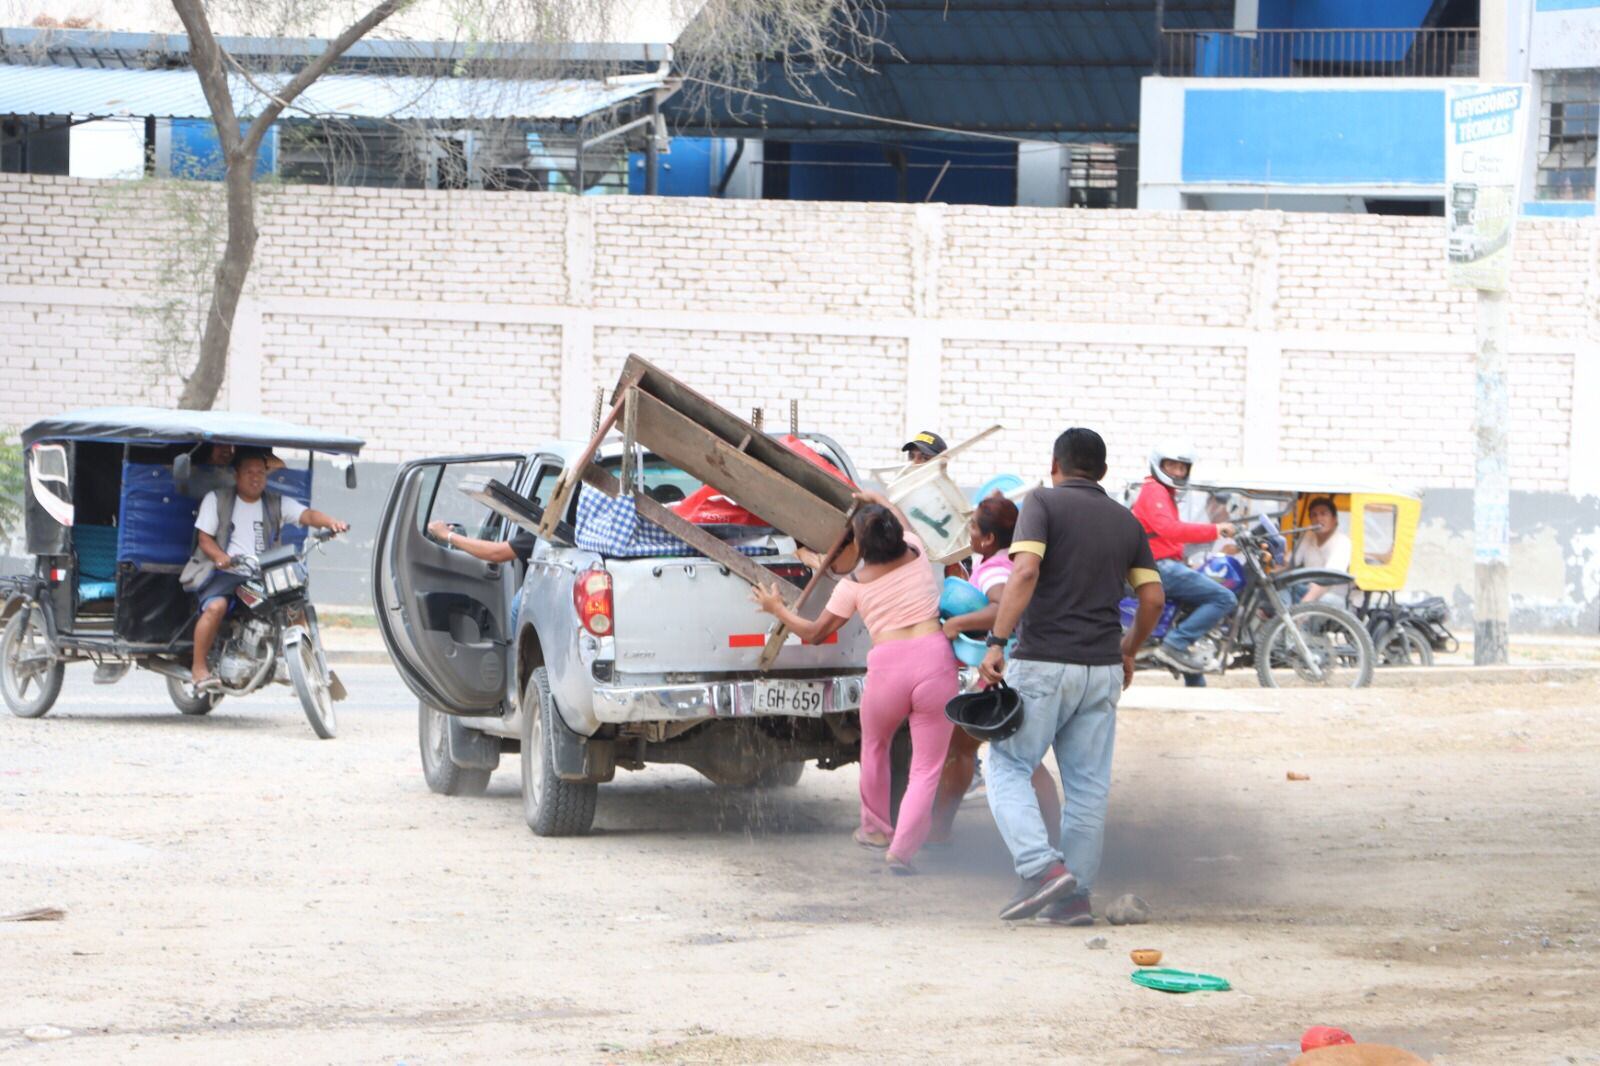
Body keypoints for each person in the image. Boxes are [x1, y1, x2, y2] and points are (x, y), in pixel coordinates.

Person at [978, 427, 1165, 923]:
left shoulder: (1043, 503)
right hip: (1102, 670)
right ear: (1102, 472)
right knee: (1087, 788)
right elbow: (1153, 599)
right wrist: (1129, 650)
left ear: (1054, 466)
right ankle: (1074, 897)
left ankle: (1041, 869)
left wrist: (997, 640)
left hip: (1043, 663)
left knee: (1006, 766)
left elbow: (1023, 572)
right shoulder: (1127, 522)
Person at [752, 490, 957, 875]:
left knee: (875, 746)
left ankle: (875, 829)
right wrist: (876, 498)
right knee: (927, 768)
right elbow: (902, 518)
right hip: (934, 660)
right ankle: (902, 850)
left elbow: (813, 633)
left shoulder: (853, 585)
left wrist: (776, 608)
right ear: (895, 535)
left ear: (862, 548)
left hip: (888, 667)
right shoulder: (915, 550)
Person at [929, 493, 1062, 850]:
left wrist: (957, 622)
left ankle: (938, 832)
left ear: (988, 538)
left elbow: (1002, 607)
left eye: (973, 526)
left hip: (1001, 672)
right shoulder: (1007, 559)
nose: (968, 532)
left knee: (969, 751)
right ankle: (1054, 838)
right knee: (1018, 758)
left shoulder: (994, 569)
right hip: (1014, 668)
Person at [190, 449, 348, 688]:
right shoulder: (217, 499)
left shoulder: (275, 501)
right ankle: (198, 668)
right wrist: (221, 557)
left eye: (261, 473)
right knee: (215, 606)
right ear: (236, 475)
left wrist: (331, 523)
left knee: (295, 605)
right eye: (249, 472)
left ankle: (296, 667)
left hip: (263, 572)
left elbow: (307, 514)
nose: (256, 478)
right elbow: (204, 539)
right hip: (227, 573)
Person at [1129, 443, 1237, 676]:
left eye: (1182, 467)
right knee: (1224, 598)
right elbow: (1170, 529)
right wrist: (1216, 530)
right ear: (1159, 465)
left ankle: (1193, 677)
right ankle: (1175, 644)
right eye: (1172, 466)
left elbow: (1165, 534)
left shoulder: (1165, 493)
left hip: (1161, 563)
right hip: (1157, 566)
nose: (1178, 472)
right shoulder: (1154, 490)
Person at [1290, 496, 1353, 605]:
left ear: (1334, 519)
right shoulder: (1308, 535)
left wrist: (1301, 610)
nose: (1318, 519)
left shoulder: (1342, 542)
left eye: (1323, 514)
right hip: (1308, 590)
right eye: (1314, 515)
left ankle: (1295, 620)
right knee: (1281, 589)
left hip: (1333, 596)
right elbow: (1290, 561)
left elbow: (1326, 581)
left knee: (1324, 601)